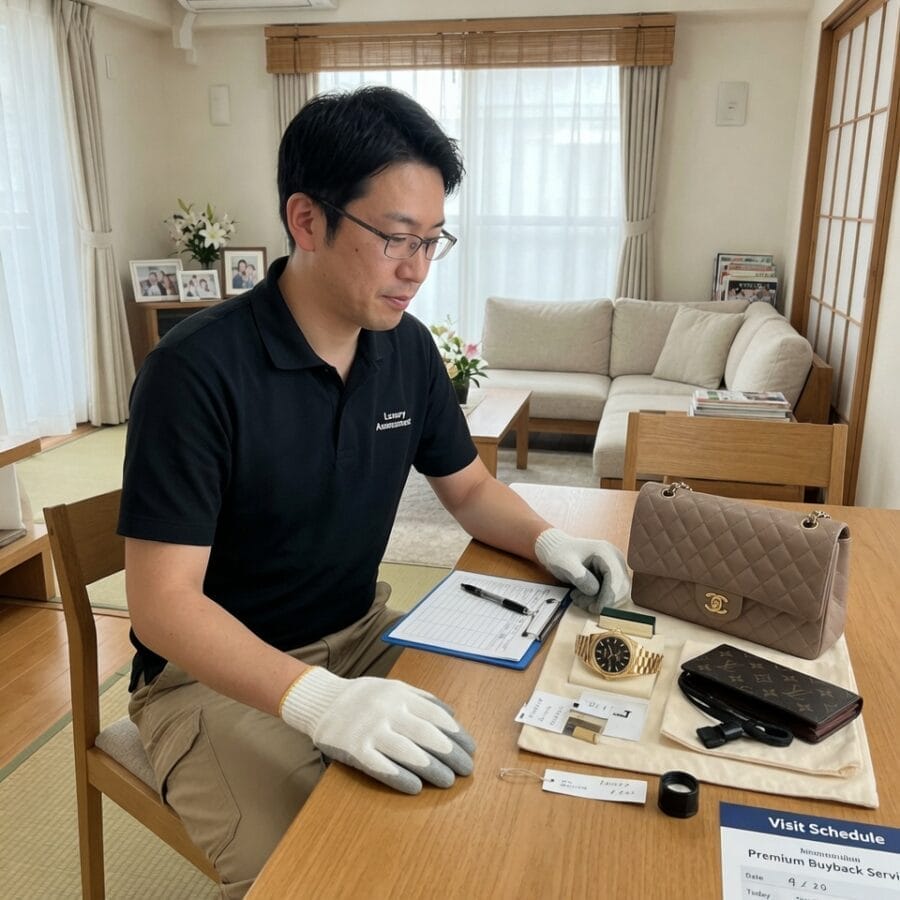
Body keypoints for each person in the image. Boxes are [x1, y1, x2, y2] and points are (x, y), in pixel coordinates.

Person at [119, 85, 629, 898]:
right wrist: (317, 701)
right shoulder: (195, 371)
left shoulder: (407, 349)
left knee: (500, 769)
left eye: (432, 241)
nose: (416, 269)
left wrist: (549, 539)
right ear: (307, 219)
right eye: (396, 238)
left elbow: (468, 489)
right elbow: (161, 605)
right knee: (331, 872)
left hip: (363, 636)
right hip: (209, 680)